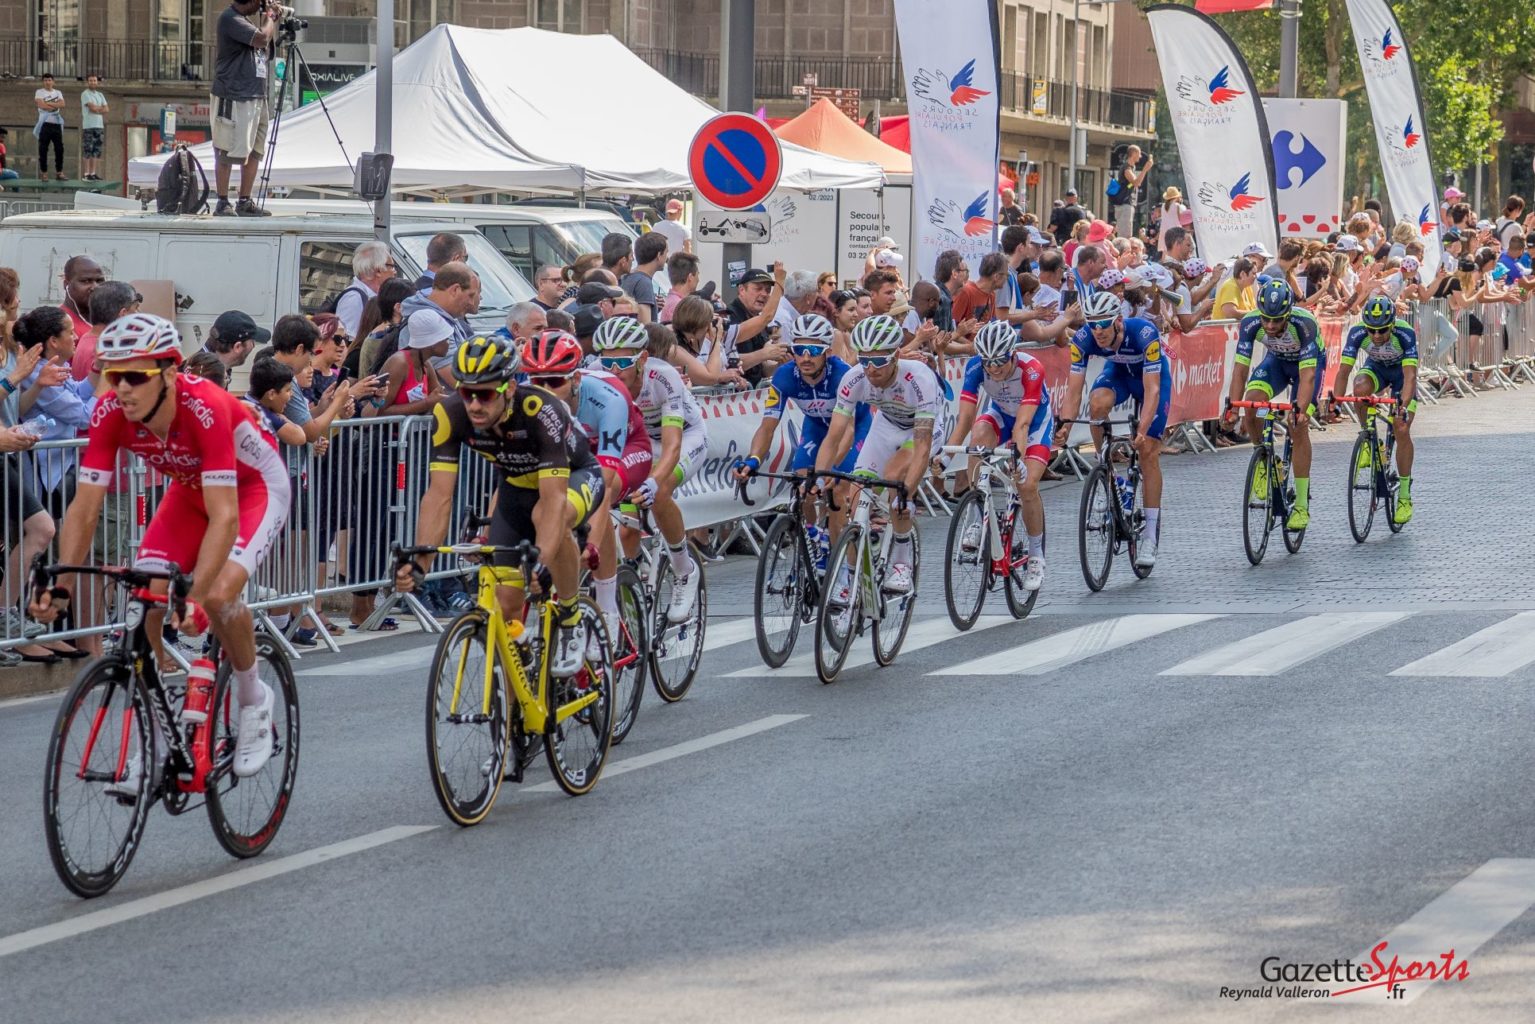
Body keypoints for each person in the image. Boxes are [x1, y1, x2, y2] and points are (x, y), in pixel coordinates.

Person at [32, 313, 290, 781]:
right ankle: (155, 734)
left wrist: (196, 598)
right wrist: (63, 583)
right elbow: (84, 508)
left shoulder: (206, 407)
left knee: (218, 595)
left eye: (135, 376)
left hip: (253, 492)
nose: (121, 388)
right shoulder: (109, 411)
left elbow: (226, 517)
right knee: (145, 598)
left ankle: (254, 699)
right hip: (190, 495)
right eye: (113, 375)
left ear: (169, 373)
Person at [399, 336, 599, 676]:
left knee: (549, 516)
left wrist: (541, 561)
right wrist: (421, 561)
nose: (475, 405)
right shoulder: (449, 413)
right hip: (515, 488)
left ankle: (570, 618)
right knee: (506, 603)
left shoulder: (540, 410)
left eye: (486, 394)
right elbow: (439, 495)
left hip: (575, 477)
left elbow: (553, 500)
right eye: (467, 393)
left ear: (510, 388)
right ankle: (522, 669)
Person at [521, 328, 649, 649]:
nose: (546, 391)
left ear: (576, 378)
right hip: (576, 453)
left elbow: (602, 485)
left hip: (628, 448)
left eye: (555, 382)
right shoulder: (527, 402)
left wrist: (590, 545)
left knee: (602, 491)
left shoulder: (607, 398)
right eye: (538, 382)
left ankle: (607, 605)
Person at [814, 314, 944, 601]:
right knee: (856, 499)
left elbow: (922, 447)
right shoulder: (854, 378)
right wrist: (819, 477)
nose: (870, 369)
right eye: (864, 360)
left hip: (921, 429)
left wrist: (906, 493)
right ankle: (851, 578)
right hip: (885, 425)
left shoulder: (919, 378)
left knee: (895, 478)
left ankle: (901, 560)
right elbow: (834, 436)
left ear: (896, 356)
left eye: (879, 360)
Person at [590, 315, 706, 623]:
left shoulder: (662, 378)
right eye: (607, 362)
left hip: (684, 436)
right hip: (637, 441)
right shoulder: (596, 375)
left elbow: (672, 446)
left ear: (642, 358)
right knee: (627, 529)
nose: (614, 370)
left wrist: (653, 482)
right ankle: (634, 580)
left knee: (660, 490)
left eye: (623, 363)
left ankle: (684, 570)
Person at [734, 314, 870, 566]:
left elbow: (846, 432)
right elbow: (767, 427)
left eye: (814, 350)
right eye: (799, 350)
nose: (806, 357)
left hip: (853, 428)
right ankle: (813, 537)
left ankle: (840, 566)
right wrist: (753, 459)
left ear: (827, 352)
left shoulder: (843, 375)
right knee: (801, 484)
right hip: (816, 427)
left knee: (836, 489)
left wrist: (826, 472)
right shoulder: (784, 377)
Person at [1056, 292, 1170, 567]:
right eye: (1092, 324)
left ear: (1118, 321)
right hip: (1118, 375)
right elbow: (1074, 391)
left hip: (1150, 381)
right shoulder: (1083, 340)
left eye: (1103, 324)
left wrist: (1142, 430)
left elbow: (1153, 390)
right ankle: (1105, 467)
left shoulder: (1144, 333)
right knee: (1096, 403)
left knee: (1148, 452)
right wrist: (1065, 426)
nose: (1097, 331)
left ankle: (1150, 536)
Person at [941, 320, 1052, 590]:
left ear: (1013, 354)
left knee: (1027, 485)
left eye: (1000, 360)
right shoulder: (975, 367)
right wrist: (945, 457)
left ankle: (1036, 555)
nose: (993, 368)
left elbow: (1022, 425)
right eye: (988, 362)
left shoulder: (1031, 369)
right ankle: (977, 516)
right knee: (978, 435)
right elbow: (965, 420)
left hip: (1033, 424)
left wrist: (1018, 458)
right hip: (1001, 415)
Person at [1226, 280, 1324, 531]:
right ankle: (1263, 461)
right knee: (1252, 404)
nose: (1270, 325)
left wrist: (1301, 411)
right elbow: (1240, 369)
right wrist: (1233, 408)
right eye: (1266, 319)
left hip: (1307, 368)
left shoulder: (1305, 324)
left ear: (1288, 314)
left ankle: (1301, 504)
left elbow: (1308, 377)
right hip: (1277, 363)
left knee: (1297, 425)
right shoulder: (1250, 322)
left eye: (1277, 320)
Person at [1335, 295, 1419, 525]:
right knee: (1359, 389)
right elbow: (1343, 372)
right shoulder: (1357, 333)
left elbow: (1410, 377)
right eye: (1371, 330)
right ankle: (1369, 436)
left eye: (1382, 330)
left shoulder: (1405, 333)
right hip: (1376, 369)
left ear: (1392, 324)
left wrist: (1403, 406)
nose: (1376, 335)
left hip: (1402, 376)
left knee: (1401, 427)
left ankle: (1404, 495)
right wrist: (1336, 404)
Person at [211, 0, 279, 217]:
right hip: (233, 93)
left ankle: (244, 200)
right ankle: (222, 202)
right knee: (226, 148)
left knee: (254, 150)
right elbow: (262, 39)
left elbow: (266, 48)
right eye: (259, 2)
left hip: (256, 94)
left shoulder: (245, 21)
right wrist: (271, 17)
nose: (261, 6)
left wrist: (268, 20)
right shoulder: (230, 18)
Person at [72, 279, 137, 381]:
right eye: (135, 308)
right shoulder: (102, 352)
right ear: (123, 314)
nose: (138, 314)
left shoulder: (88, 338)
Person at [331, 241, 395, 339]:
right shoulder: (354, 298)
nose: (395, 271)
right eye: (392, 266)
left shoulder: (368, 296)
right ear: (378, 270)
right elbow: (347, 341)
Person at [204, 308, 270, 378]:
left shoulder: (212, 367)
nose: (253, 346)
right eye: (252, 341)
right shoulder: (207, 378)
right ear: (238, 347)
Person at [621, 232, 667, 323]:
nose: (667, 257)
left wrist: (653, 308)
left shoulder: (628, 277)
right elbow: (645, 325)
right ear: (659, 255)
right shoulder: (644, 283)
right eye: (666, 253)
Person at [58, 255, 104, 343]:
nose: (95, 287)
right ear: (66, 284)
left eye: (99, 281)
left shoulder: (110, 321)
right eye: (86, 281)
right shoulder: (59, 324)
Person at [1110, 146, 1153, 238]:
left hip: (1125, 204)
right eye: (1139, 154)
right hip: (1125, 205)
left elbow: (1133, 184)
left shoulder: (1131, 168)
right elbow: (1136, 182)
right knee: (1125, 236)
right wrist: (1145, 169)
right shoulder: (1127, 168)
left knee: (1126, 233)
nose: (1140, 156)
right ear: (1133, 153)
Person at [33, 73, 66, 181]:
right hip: (44, 124)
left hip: (56, 124)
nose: (48, 82)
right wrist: (54, 105)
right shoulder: (39, 92)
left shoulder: (58, 92)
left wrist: (48, 104)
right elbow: (41, 105)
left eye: (49, 80)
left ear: (53, 81)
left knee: (59, 149)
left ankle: (59, 172)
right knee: (43, 149)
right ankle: (44, 173)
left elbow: (62, 104)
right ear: (43, 82)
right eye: (45, 80)